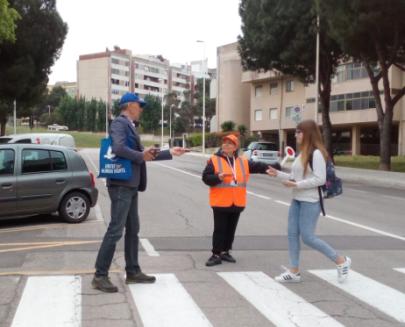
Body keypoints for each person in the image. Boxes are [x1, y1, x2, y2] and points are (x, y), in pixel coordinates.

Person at [92, 92, 188, 293]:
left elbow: (143, 156)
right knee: (116, 230)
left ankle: (133, 271)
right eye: (139, 105)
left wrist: (170, 153)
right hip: (121, 185)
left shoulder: (130, 126)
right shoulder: (120, 123)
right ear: (129, 106)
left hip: (131, 184)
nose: (142, 109)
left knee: (133, 228)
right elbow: (118, 148)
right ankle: (100, 275)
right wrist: (140, 155)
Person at [267, 120, 351, 283]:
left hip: (310, 201)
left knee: (308, 237)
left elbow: (320, 179)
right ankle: (294, 271)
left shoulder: (317, 153)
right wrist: (277, 174)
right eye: (296, 132)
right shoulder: (302, 153)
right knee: (292, 234)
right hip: (297, 199)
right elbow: (295, 177)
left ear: (308, 133)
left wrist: (297, 184)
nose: (296, 135)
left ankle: (341, 261)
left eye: (299, 132)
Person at [202, 134, 280, 266]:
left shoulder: (243, 161)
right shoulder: (214, 160)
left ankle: (225, 252)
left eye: (230, 143)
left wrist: (274, 167)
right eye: (224, 143)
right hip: (220, 202)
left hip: (237, 202)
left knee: (231, 229)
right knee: (220, 229)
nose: (226, 145)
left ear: (235, 147)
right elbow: (206, 178)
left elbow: (258, 166)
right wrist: (217, 177)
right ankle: (216, 254)